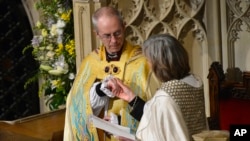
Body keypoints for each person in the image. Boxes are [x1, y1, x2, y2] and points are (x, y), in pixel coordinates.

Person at [63, 6, 160, 141]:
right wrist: (99, 90)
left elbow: (157, 110)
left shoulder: (144, 60)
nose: (113, 40)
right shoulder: (90, 62)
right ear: (97, 34)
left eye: (117, 33)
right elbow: (76, 108)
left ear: (124, 27)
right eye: (107, 36)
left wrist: (120, 123)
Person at [108, 34, 208, 141]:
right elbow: (162, 119)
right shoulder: (194, 81)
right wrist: (131, 98)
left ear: (158, 64)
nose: (148, 65)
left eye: (148, 60)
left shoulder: (164, 97)